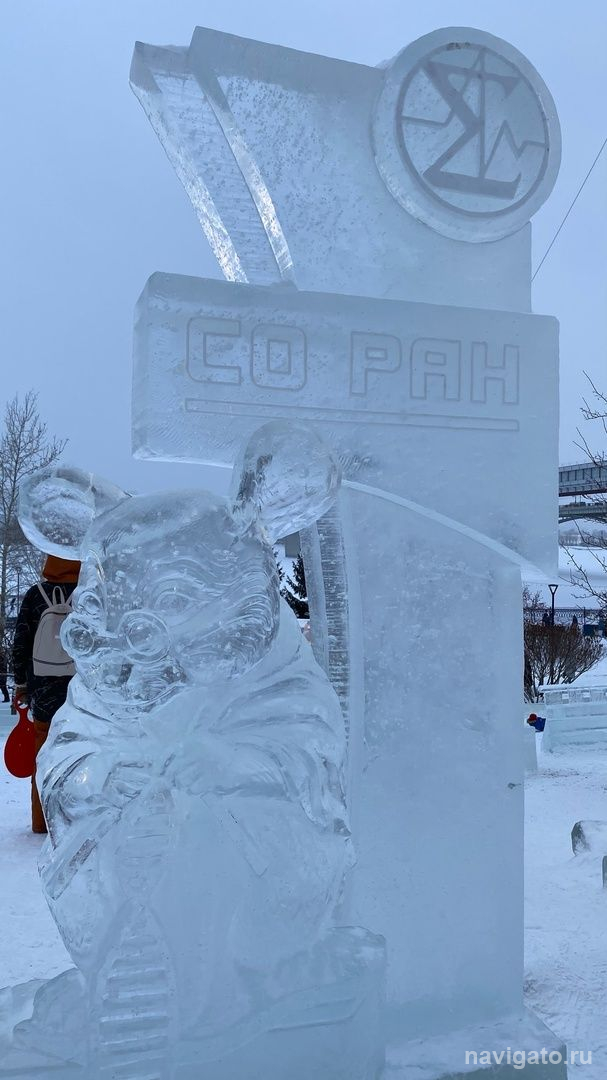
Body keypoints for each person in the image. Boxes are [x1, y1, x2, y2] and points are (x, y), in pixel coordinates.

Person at [12, 555, 81, 833]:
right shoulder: (87, 593)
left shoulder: (34, 595)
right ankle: (75, 819)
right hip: (79, 686)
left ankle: (41, 821)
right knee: (78, 751)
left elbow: (21, 642)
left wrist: (20, 683)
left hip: (43, 687)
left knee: (43, 753)